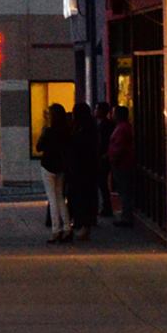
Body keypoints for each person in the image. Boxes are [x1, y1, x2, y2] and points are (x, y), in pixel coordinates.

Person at [65, 101, 102, 242]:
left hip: (82, 170)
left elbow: (78, 148)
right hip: (85, 170)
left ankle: (84, 226)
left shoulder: (84, 130)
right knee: (83, 198)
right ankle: (83, 225)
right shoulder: (88, 128)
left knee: (81, 199)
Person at [35, 103, 70, 242]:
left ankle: (56, 229)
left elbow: (39, 147)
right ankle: (67, 227)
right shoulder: (66, 131)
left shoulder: (48, 131)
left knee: (52, 198)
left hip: (48, 166)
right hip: (60, 167)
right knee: (60, 197)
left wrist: (43, 132)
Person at [102, 102, 135, 227]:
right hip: (121, 162)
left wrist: (112, 158)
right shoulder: (123, 127)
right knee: (124, 190)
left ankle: (126, 217)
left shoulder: (122, 128)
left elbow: (119, 146)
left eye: (114, 113)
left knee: (124, 190)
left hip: (122, 164)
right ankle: (125, 215)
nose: (112, 115)